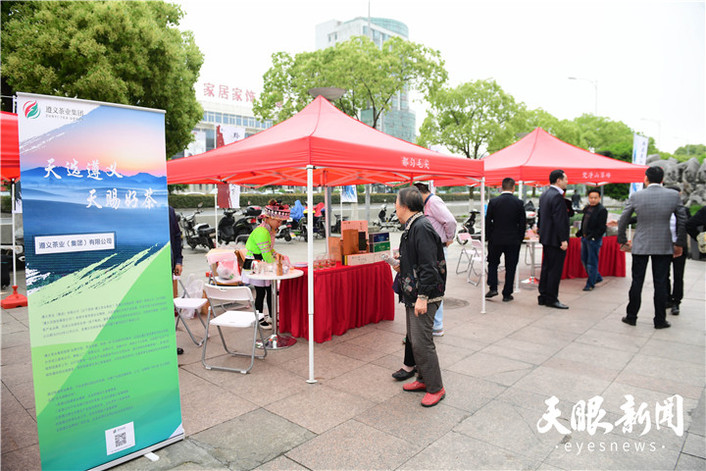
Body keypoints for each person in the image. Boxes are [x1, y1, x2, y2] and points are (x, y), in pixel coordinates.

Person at [393, 186, 446, 407]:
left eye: (396, 202)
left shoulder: (421, 226)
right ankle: (423, 380)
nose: (395, 206)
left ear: (404, 206)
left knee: (423, 342)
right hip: (412, 292)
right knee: (414, 340)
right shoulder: (413, 225)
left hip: (424, 294)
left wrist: (423, 296)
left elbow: (428, 266)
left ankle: (436, 387)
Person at [617, 167, 686, 329]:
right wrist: (679, 244)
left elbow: (623, 219)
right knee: (661, 283)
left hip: (641, 244)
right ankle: (660, 320)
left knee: (637, 282)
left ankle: (631, 316)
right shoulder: (673, 196)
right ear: (662, 180)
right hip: (663, 244)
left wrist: (622, 240)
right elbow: (682, 220)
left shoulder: (636, 196)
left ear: (646, 179)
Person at [413, 182, 456, 336]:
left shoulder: (433, 202)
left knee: (435, 285)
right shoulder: (426, 204)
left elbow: (450, 221)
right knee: (429, 284)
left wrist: (449, 238)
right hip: (428, 249)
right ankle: (433, 323)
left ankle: (437, 325)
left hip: (437, 250)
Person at [244, 199, 290, 330]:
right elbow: (265, 254)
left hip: (262, 262)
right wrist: (276, 266)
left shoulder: (268, 230)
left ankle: (271, 316)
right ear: (269, 218)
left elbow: (269, 250)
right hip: (256, 263)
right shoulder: (262, 232)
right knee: (260, 293)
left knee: (270, 291)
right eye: (279, 221)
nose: (280, 224)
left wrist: (277, 255)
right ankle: (260, 319)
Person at [485, 177, 526, 302]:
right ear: (514, 187)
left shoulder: (493, 202)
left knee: (493, 263)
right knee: (511, 266)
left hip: (496, 239)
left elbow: (488, 221)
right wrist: (520, 238)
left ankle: (493, 287)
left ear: (501, 187)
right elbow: (522, 223)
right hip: (513, 240)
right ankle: (507, 293)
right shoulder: (519, 203)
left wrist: (488, 237)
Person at [537, 169, 571, 309]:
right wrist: (563, 239)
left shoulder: (545, 194)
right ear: (558, 180)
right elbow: (559, 220)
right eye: (565, 179)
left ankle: (543, 296)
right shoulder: (556, 196)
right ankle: (551, 298)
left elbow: (541, 216)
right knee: (554, 270)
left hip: (546, 237)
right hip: (555, 239)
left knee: (546, 268)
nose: (567, 182)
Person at [576, 188, 608, 291]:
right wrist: (580, 232)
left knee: (591, 262)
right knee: (584, 260)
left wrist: (593, 236)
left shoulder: (602, 210)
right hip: (585, 238)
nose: (593, 200)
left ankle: (590, 284)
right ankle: (597, 277)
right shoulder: (587, 208)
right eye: (591, 197)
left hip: (594, 240)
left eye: (595, 198)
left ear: (599, 198)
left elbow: (602, 228)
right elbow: (585, 221)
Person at [665, 186, 689, 315]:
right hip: (664, 246)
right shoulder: (662, 209)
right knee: (664, 275)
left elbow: (687, 226)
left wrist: (679, 244)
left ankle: (676, 302)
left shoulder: (684, 210)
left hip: (679, 247)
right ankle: (667, 299)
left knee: (678, 276)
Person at [169, 206, 184, 355]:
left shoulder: (168, 210)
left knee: (166, 307)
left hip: (166, 266)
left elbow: (176, 236)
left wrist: (178, 260)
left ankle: (168, 343)